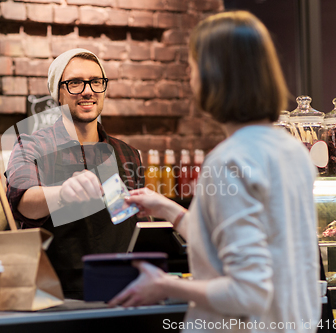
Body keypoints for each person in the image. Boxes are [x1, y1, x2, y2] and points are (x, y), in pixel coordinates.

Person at [108, 11, 321, 332]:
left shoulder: (229, 161)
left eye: (192, 68)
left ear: (213, 76)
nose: (190, 79)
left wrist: (165, 285)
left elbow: (248, 292)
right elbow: (242, 247)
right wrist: (169, 209)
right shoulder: (292, 151)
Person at [5, 49, 144, 300]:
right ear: (57, 94)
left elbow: (133, 222)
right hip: (56, 297)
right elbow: (22, 202)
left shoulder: (128, 153)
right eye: (75, 83)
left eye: (96, 82)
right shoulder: (31, 145)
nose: (88, 90)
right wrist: (63, 193)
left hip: (123, 291)